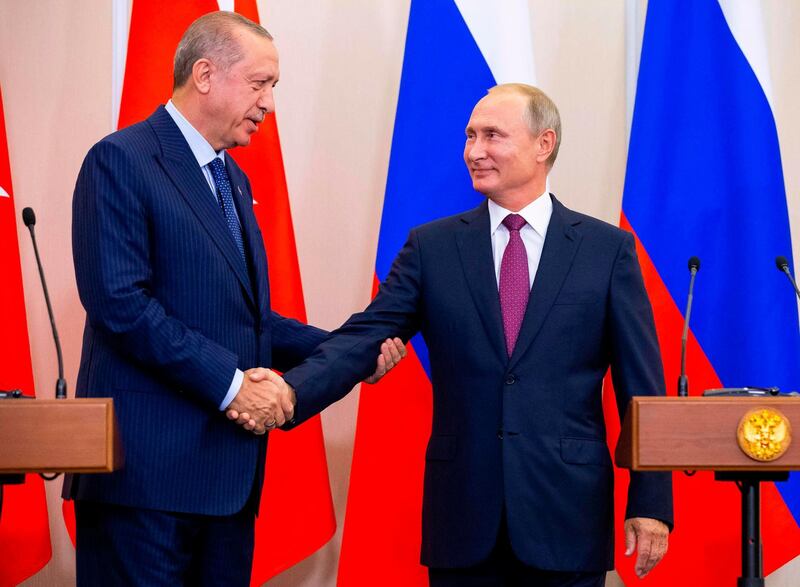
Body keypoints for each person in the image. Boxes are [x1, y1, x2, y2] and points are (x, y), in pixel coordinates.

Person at [232, 83, 673, 586]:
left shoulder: (606, 250)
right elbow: (366, 335)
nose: (474, 151)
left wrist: (651, 500)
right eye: (469, 136)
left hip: (566, 516)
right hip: (463, 519)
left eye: (492, 136)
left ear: (543, 144)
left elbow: (642, 387)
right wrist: (290, 392)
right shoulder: (433, 247)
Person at [66, 11, 403, 586]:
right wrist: (234, 385)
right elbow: (123, 305)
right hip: (146, 480)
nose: (269, 101)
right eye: (260, 82)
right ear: (204, 75)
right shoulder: (121, 159)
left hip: (225, 482)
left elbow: (248, 318)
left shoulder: (233, 179)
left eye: (274, 86)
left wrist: (349, 353)